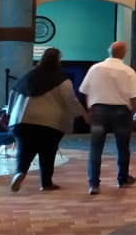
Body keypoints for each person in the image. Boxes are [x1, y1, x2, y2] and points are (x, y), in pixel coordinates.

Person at [6, 48, 84, 192]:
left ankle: (20, 172)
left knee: (24, 149)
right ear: (58, 60)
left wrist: (9, 113)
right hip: (50, 123)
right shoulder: (61, 80)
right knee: (48, 152)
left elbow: (13, 95)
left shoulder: (27, 76)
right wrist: (83, 113)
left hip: (22, 120)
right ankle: (46, 183)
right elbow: (70, 100)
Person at [79, 41, 136, 195]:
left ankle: (94, 184)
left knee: (95, 148)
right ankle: (122, 179)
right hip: (121, 113)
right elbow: (135, 97)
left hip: (99, 111)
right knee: (123, 148)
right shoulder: (128, 71)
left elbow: (85, 91)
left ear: (109, 51)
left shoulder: (95, 68)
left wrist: (88, 111)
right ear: (124, 53)